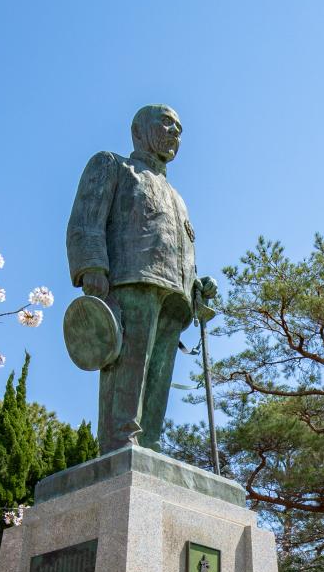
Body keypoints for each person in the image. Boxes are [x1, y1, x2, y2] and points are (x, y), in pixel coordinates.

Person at [65, 104, 217, 453]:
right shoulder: (113, 165)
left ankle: (148, 443)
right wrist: (93, 267)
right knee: (129, 365)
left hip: (175, 294)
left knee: (159, 375)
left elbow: (179, 248)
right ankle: (120, 441)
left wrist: (196, 286)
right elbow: (86, 220)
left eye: (179, 128)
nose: (174, 132)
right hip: (131, 279)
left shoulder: (178, 199)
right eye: (166, 123)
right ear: (138, 130)